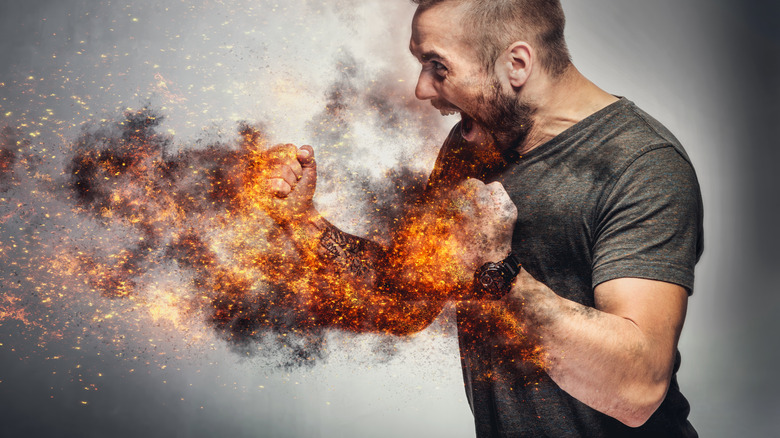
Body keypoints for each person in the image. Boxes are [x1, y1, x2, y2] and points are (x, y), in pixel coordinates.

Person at [258, 0, 703, 436]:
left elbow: (638, 390)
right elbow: (405, 301)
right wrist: (303, 221)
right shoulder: (470, 146)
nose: (423, 89)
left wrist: (497, 270)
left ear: (517, 64)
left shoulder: (642, 165)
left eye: (439, 66)